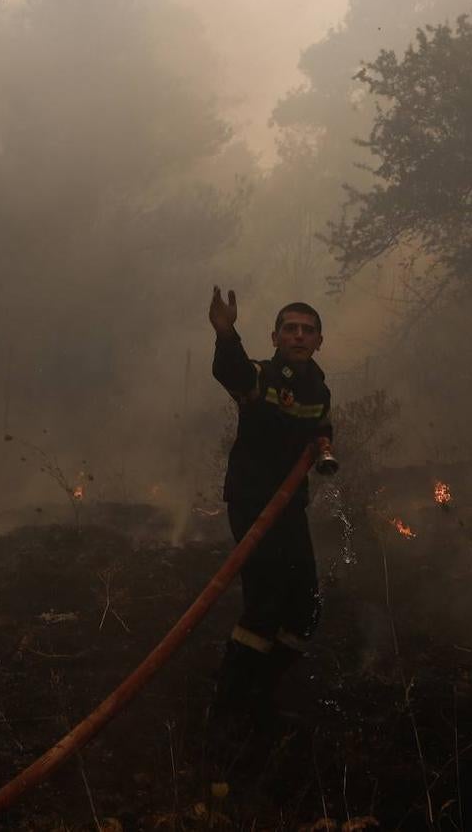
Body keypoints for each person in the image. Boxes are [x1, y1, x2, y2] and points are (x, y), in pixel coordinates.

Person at [207, 285, 334, 732]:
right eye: (290, 329)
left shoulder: (319, 387)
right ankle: (228, 706)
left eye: (308, 330)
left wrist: (324, 445)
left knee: (306, 608)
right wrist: (226, 334)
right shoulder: (261, 376)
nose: (299, 336)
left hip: (289, 507)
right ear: (275, 337)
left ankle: (263, 687)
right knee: (264, 604)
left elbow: (322, 424)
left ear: (320, 340)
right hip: (252, 502)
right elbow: (232, 372)